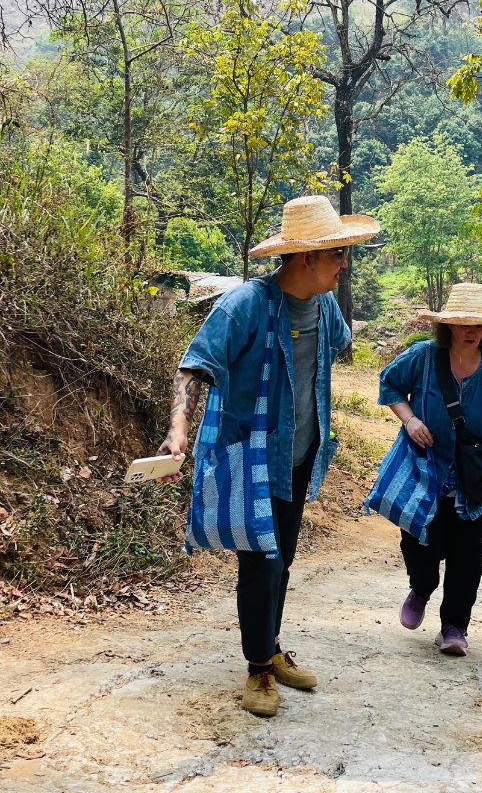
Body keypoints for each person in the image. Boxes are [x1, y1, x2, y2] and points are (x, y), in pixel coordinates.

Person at [158, 195, 379, 717]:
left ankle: (271, 647)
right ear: (306, 257)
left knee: (283, 557)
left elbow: (335, 349)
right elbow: (194, 368)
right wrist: (178, 429)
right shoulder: (244, 306)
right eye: (337, 255)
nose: (343, 265)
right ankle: (258, 667)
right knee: (261, 562)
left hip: (300, 455)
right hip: (250, 454)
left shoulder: (324, 308)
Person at [371, 283, 482, 656]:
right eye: (463, 323)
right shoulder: (422, 357)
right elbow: (389, 384)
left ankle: (454, 626)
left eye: (478, 325)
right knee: (420, 540)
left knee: (468, 552)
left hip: (478, 475)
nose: (471, 330)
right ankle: (421, 587)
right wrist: (409, 419)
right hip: (425, 469)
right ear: (449, 326)